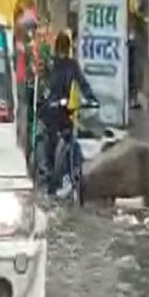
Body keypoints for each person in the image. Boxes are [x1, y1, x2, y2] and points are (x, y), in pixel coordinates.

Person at [37, 31, 98, 193]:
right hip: (52, 111)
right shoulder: (53, 65)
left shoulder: (70, 65)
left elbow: (83, 83)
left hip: (64, 111)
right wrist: (45, 100)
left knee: (69, 139)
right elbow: (45, 86)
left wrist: (91, 99)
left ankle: (66, 172)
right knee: (49, 143)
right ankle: (48, 174)